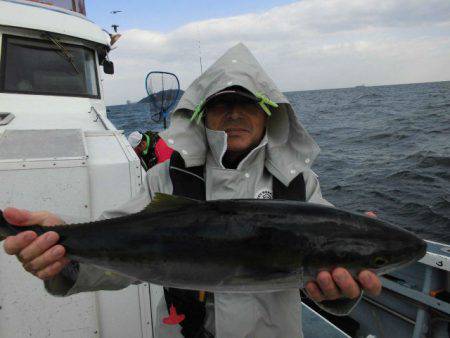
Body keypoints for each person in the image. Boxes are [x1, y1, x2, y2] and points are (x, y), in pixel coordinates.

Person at [2, 43, 381, 337]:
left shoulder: (297, 183)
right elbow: (119, 263)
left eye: (248, 103)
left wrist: (342, 296)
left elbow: (334, 264)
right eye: (221, 104)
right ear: (200, 116)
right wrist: (60, 251)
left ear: (271, 113)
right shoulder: (168, 178)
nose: (234, 114)